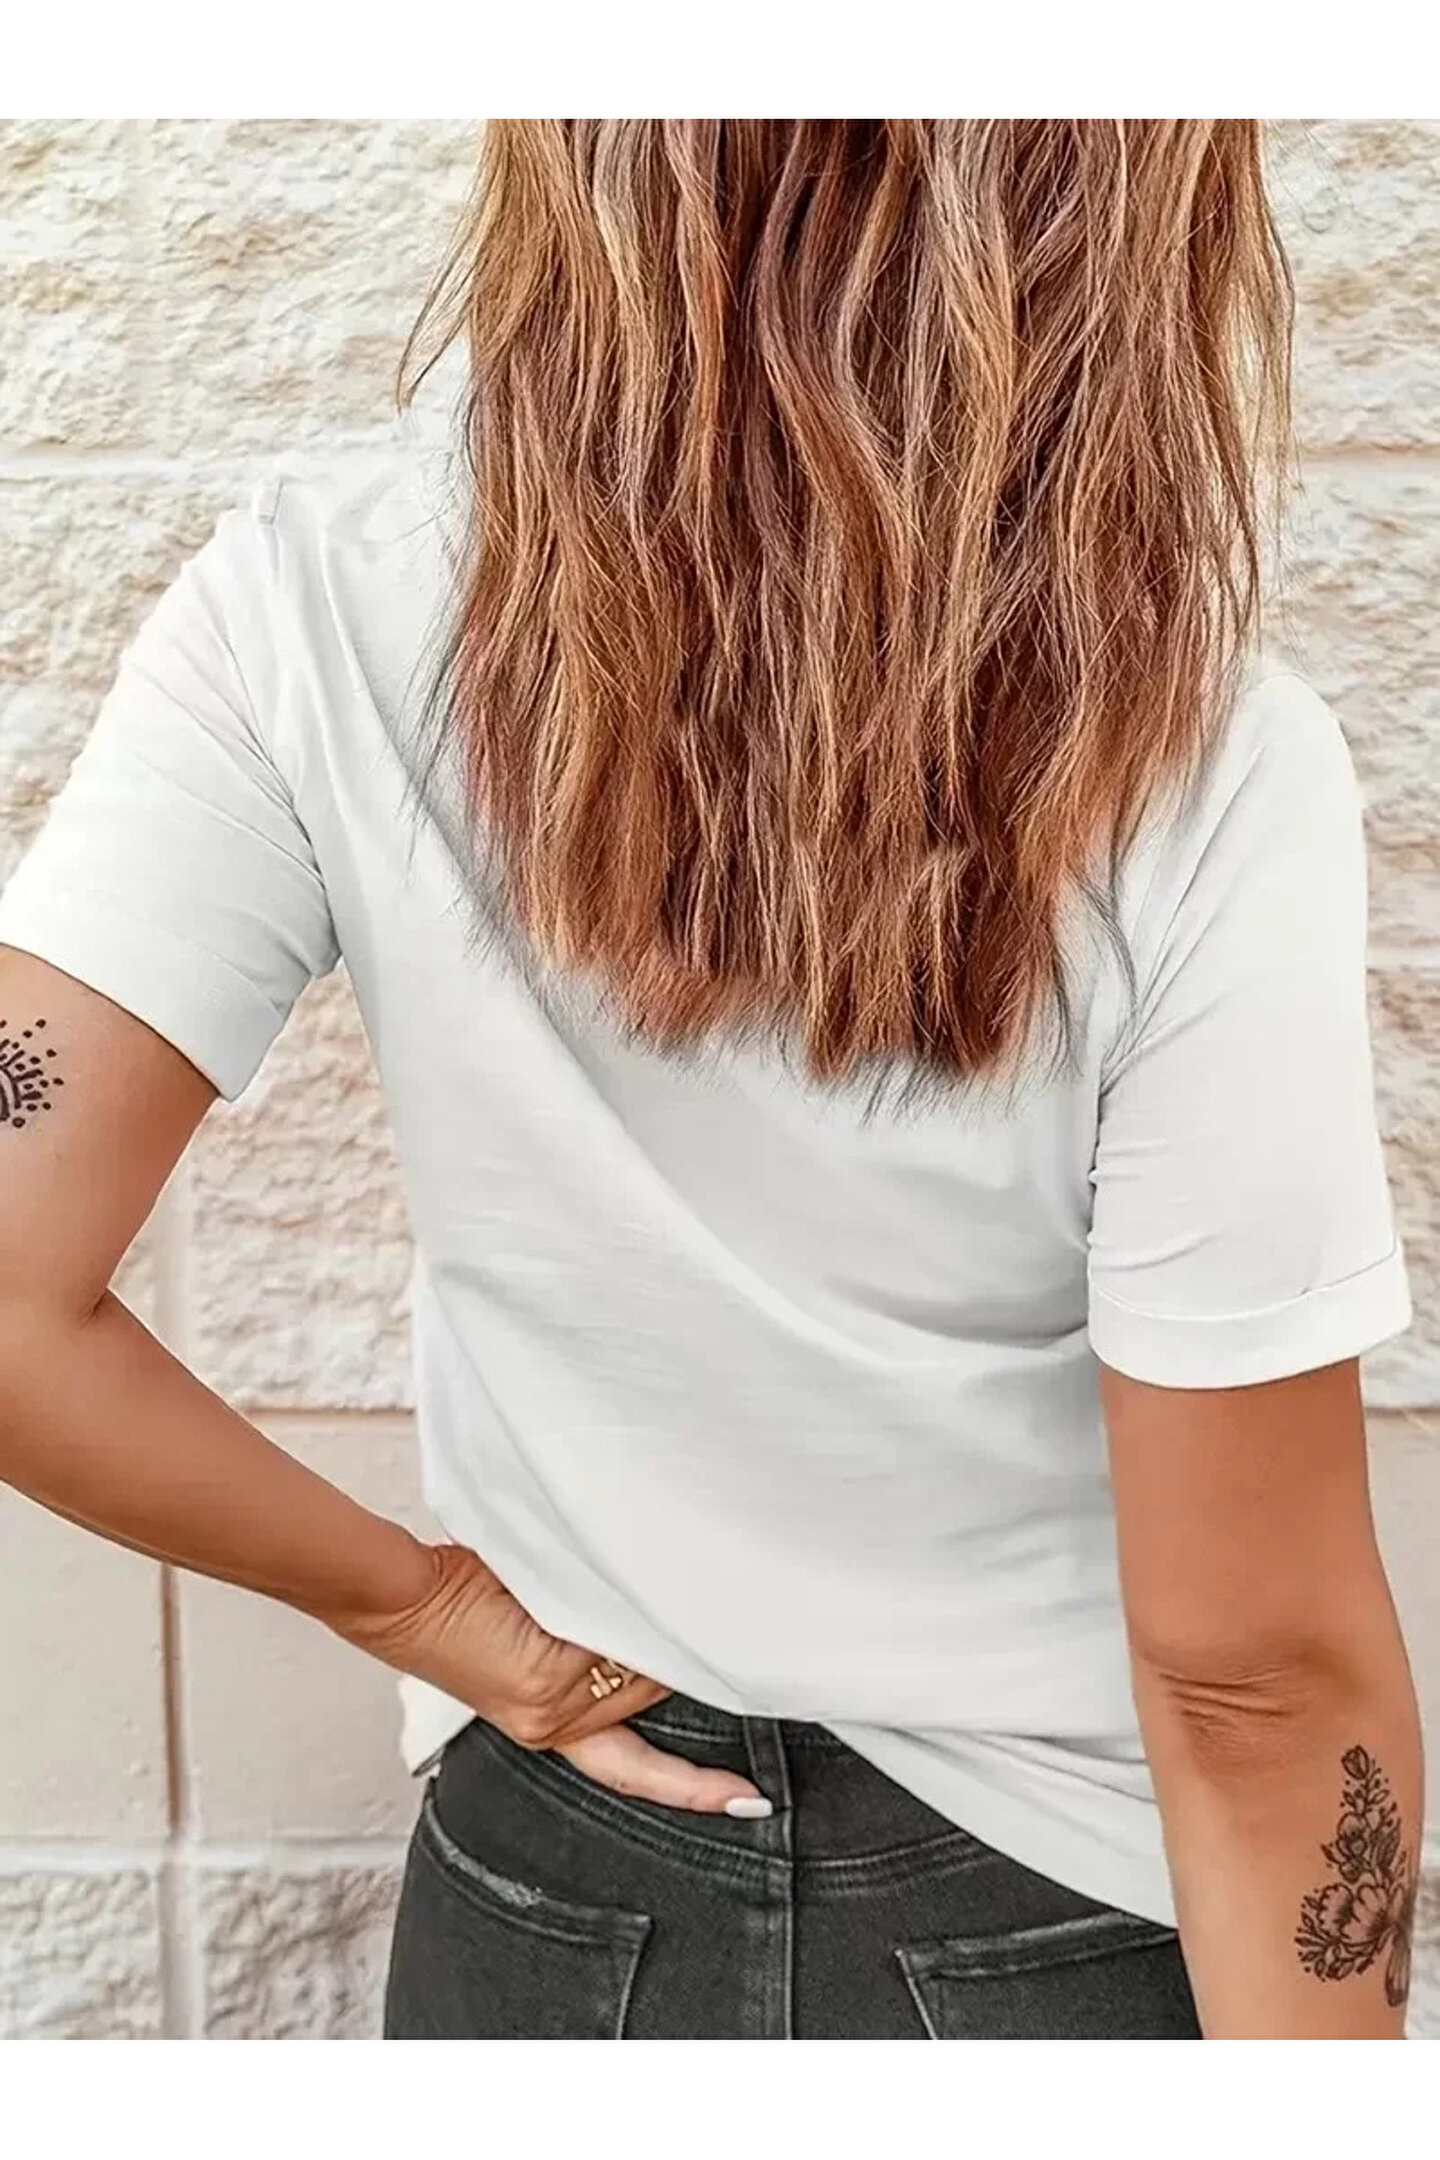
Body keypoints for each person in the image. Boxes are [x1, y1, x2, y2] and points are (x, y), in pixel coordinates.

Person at [0, 118, 1421, 2041]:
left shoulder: (312, 601)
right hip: (1052, 1920)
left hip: (549, 1884)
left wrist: (420, 1605)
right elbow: (1251, 1676)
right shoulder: (1207, 758)